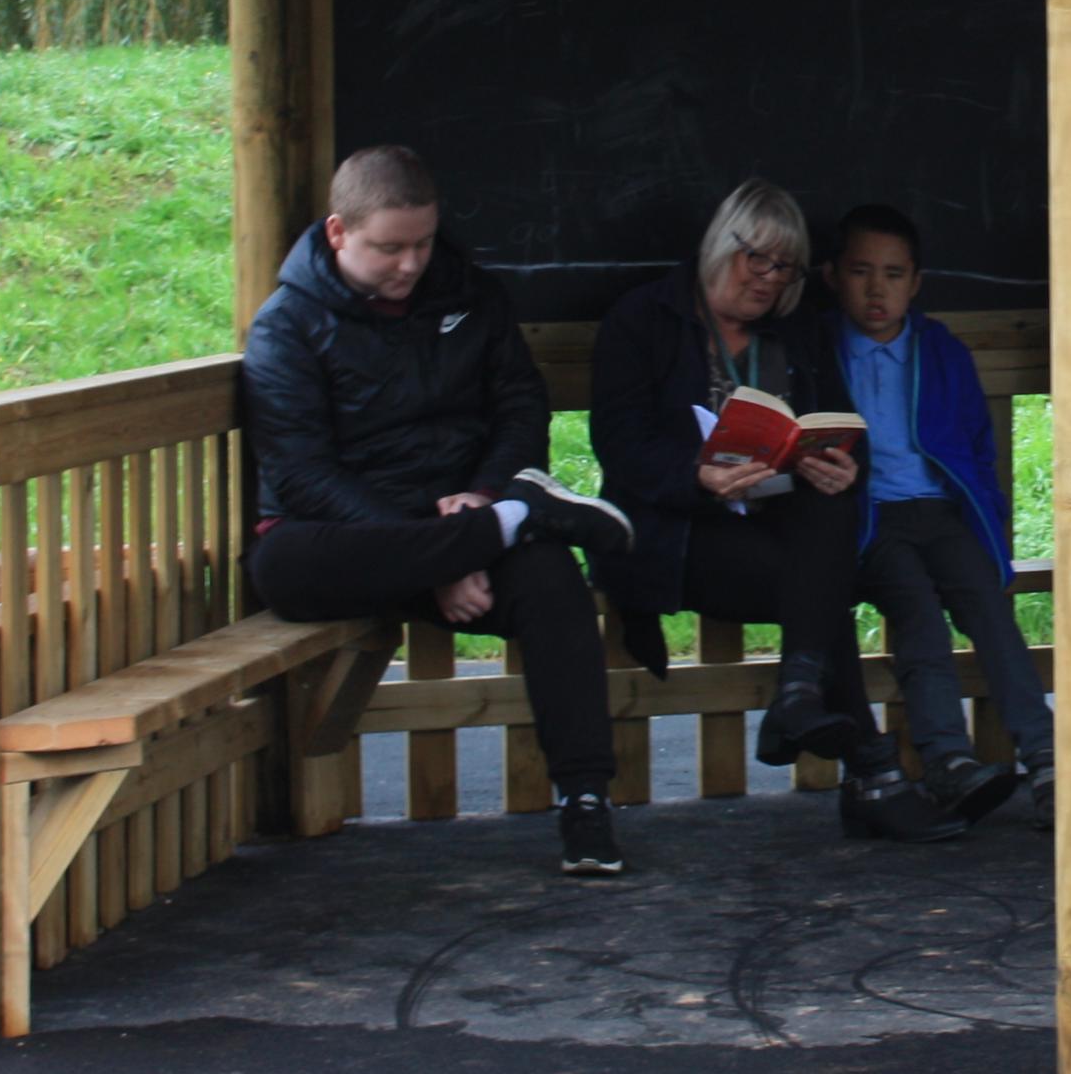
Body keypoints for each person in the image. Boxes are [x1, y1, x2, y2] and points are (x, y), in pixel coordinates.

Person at [241, 144, 640, 879]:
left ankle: (585, 802)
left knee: (551, 580)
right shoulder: (286, 326)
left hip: (465, 515)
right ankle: (522, 519)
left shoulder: (473, 295)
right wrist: (445, 550)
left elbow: (520, 404)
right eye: (388, 248)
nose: (410, 264)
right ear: (338, 233)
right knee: (283, 568)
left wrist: (484, 495)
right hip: (359, 538)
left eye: (422, 242)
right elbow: (302, 476)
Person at [590, 177, 958, 843]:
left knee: (833, 501)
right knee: (818, 582)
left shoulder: (795, 333)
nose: (766, 277)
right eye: (753, 257)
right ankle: (861, 761)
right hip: (675, 534)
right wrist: (700, 477)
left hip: (772, 521)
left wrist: (837, 463)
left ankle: (805, 702)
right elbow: (621, 450)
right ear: (717, 244)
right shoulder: (642, 319)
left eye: (783, 265)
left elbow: (842, 427)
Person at [829, 204, 1051, 828]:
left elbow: (977, 448)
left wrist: (989, 521)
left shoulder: (940, 351)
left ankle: (1046, 756)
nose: (877, 290)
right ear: (832, 276)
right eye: (861, 272)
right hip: (873, 519)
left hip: (940, 511)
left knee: (988, 606)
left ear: (916, 283)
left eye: (894, 275)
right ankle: (949, 762)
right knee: (918, 614)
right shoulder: (821, 352)